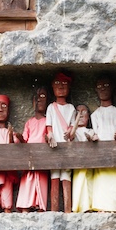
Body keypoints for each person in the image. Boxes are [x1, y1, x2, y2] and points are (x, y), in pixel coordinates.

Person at [75, 77, 116, 212]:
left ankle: (114, 206)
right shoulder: (95, 114)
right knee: (100, 179)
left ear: (112, 88)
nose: (103, 89)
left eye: (106, 85)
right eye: (100, 86)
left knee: (113, 178)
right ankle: (100, 206)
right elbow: (95, 132)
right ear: (96, 90)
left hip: (114, 151)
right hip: (99, 151)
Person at [44, 71, 75, 211]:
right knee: (55, 176)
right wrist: (50, 135)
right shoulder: (51, 107)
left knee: (66, 176)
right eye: (57, 83)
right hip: (54, 146)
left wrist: (70, 132)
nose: (61, 87)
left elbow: (73, 126)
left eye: (64, 84)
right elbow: (49, 126)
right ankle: (54, 209)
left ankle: (68, 209)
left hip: (66, 146)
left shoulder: (71, 108)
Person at [15, 88, 50, 211]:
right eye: (37, 97)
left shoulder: (48, 122)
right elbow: (25, 139)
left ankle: (40, 206)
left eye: (43, 96)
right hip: (29, 156)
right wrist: (20, 138)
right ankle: (26, 206)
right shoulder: (29, 122)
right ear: (33, 102)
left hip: (42, 156)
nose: (39, 100)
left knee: (41, 180)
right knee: (28, 180)